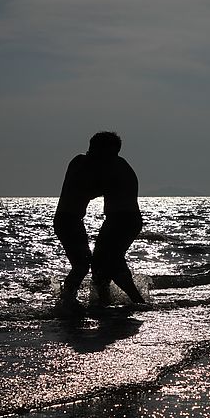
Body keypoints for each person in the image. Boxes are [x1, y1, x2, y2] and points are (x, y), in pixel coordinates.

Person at [89, 132, 146, 305]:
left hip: (123, 219)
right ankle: (104, 301)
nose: (90, 152)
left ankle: (137, 301)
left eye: (94, 148)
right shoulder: (116, 164)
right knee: (100, 262)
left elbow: (95, 189)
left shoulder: (114, 165)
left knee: (110, 260)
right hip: (121, 219)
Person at [54, 150, 101, 308]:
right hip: (68, 219)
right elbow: (86, 188)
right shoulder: (81, 162)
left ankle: (68, 297)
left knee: (82, 262)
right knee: (82, 264)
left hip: (70, 218)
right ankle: (67, 299)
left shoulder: (79, 162)